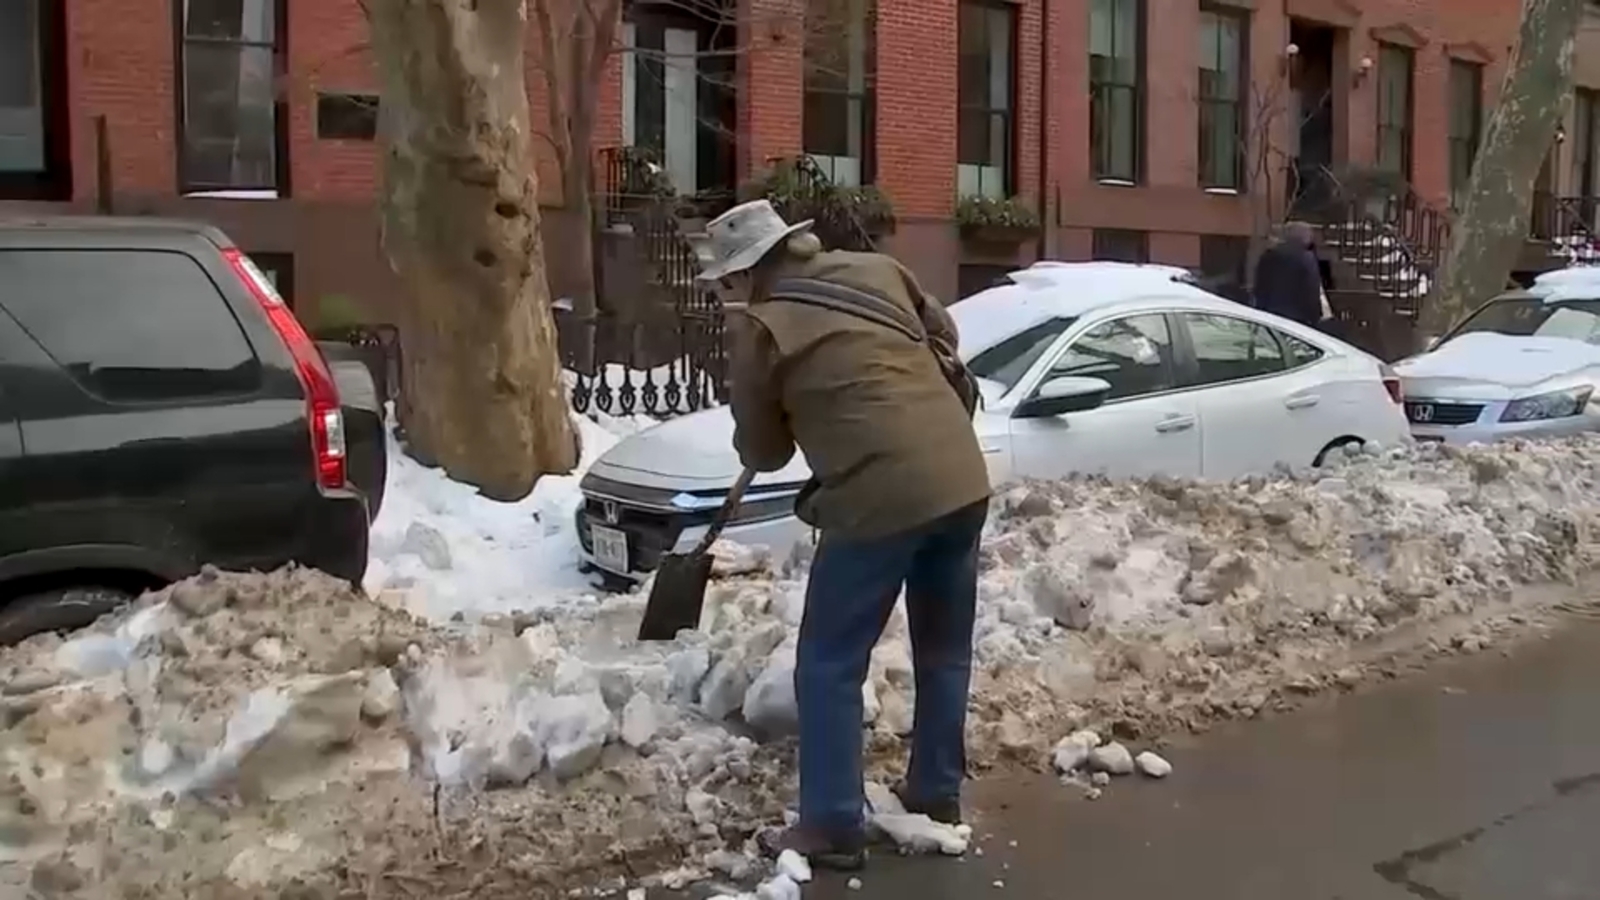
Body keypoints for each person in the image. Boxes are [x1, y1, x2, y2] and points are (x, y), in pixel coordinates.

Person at [697, 199, 991, 870]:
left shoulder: (762, 327)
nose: (724, 295)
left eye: (724, 283)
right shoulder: (877, 270)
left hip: (876, 496)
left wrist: (766, 395)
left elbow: (765, 452)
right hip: (960, 477)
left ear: (743, 276)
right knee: (943, 650)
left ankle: (831, 823)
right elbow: (941, 330)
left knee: (829, 663)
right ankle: (935, 792)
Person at [1252, 221, 1324, 326]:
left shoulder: (1268, 255)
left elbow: (1260, 285)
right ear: (1304, 238)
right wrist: (1315, 316)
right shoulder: (1305, 258)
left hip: (1270, 313)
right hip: (1297, 316)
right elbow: (1311, 288)